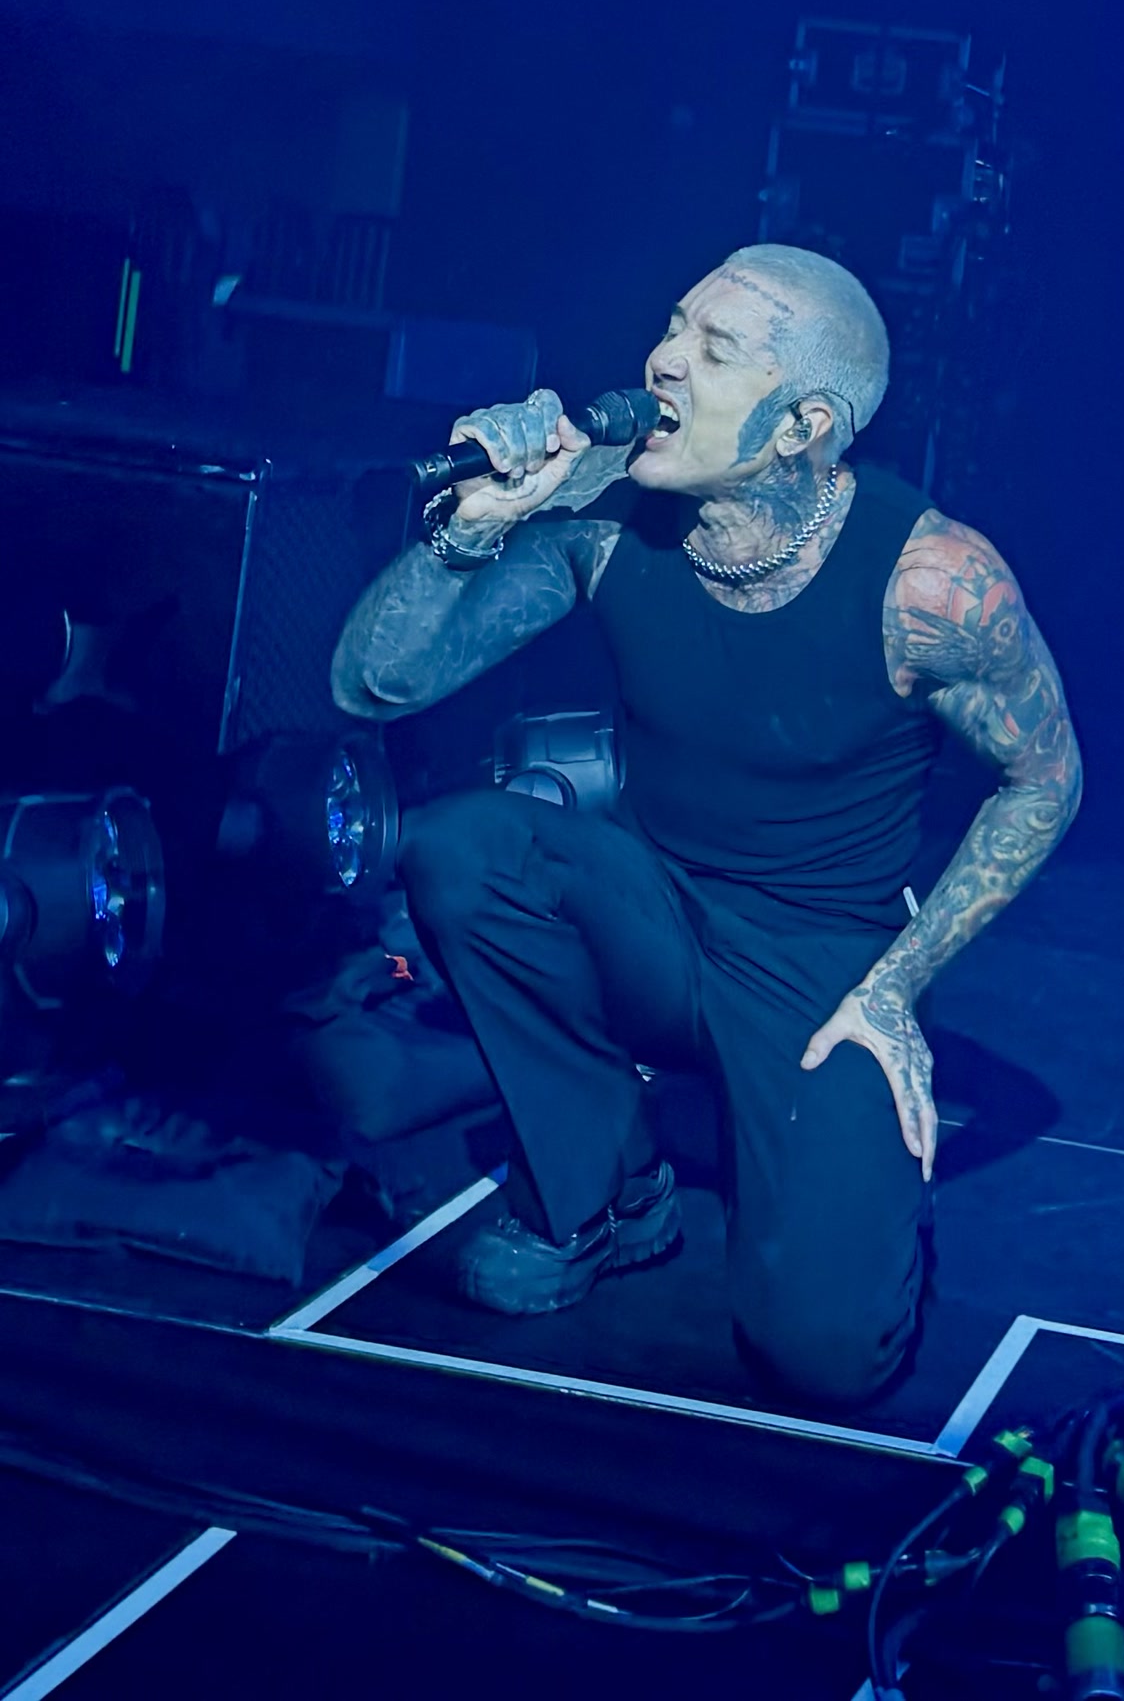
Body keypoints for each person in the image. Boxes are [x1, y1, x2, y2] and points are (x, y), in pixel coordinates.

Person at [331, 244, 1081, 1408]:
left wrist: (898, 985)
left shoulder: (929, 582)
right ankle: (604, 1196)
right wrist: (478, 523)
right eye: (672, 326)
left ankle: (840, 1181)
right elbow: (375, 684)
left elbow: (1044, 777)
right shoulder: (609, 520)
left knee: (822, 1360)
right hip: (653, 910)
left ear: (801, 424)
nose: (660, 362)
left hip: (818, 963)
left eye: (712, 350)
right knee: (461, 848)